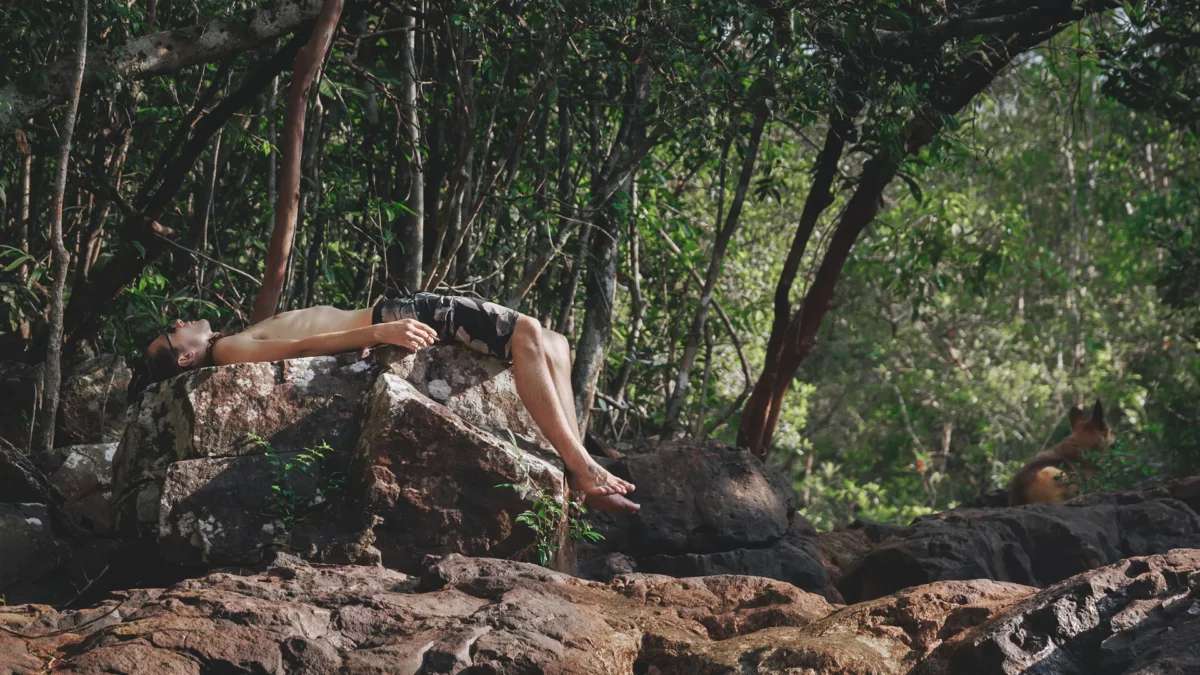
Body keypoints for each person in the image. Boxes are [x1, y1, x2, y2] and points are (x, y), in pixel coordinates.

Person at [143, 292, 639, 514]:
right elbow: (299, 348)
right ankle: (582, 465)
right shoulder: (225, 350)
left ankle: (578, 472)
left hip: (392, 310)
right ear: (185, 358)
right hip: (400, 313)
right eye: (173, 332)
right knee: (528, 333)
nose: (181, 320)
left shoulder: (231, 339)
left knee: (555, 342)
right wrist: (383, 329)